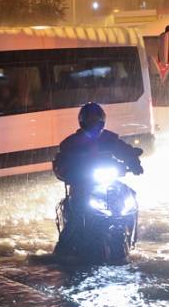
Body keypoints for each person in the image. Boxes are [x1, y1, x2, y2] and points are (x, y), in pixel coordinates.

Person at [52, 102, 144, 254]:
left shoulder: (110, 139)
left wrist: (134, 162)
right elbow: (61, 165)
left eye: (96, 119)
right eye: (90, 120)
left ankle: (132, 238)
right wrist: (68, 173)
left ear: (102, 120)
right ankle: (61, 250)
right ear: (82, 121)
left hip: (107, 182)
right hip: (83, 185)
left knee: (130, 196)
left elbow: (124, 151)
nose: (94, 123)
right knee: (77, 213)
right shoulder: (71, 143)